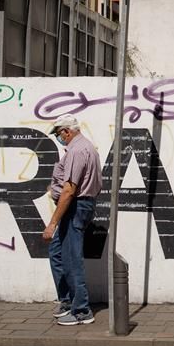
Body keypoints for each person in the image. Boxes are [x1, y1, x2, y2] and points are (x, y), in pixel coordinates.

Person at [42, 114, 102, 326]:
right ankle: (68, 300)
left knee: (71, 258)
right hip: (80, 205)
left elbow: (69, 190)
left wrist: (52, 223)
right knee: (57, 252)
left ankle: (81, 310)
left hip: (76, 207)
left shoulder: (77, 150)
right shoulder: (85, 147)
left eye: (59, 134)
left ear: (66, 131)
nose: (59, 138)